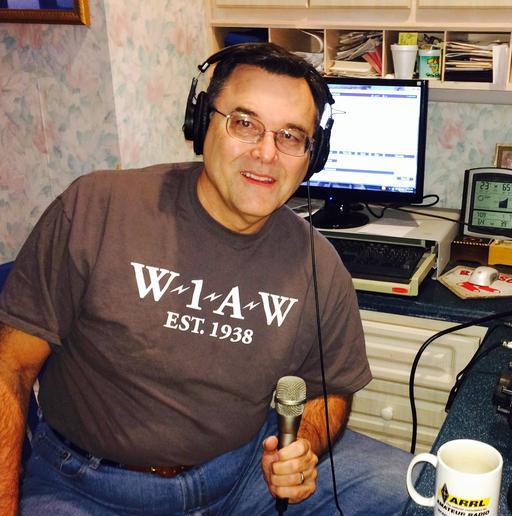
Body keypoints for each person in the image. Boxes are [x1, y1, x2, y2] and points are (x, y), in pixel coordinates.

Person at [0, 42, 414, 515]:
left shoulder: (320, 265)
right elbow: (9, 366)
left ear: (312, 156)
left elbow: (329, 387)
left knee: (416, 487)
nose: (266, 153)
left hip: (242, 474)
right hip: (88, 487)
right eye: (245, 123)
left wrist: (303, 447)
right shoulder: (97, 208)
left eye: (290, 136)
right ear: (200, 124)